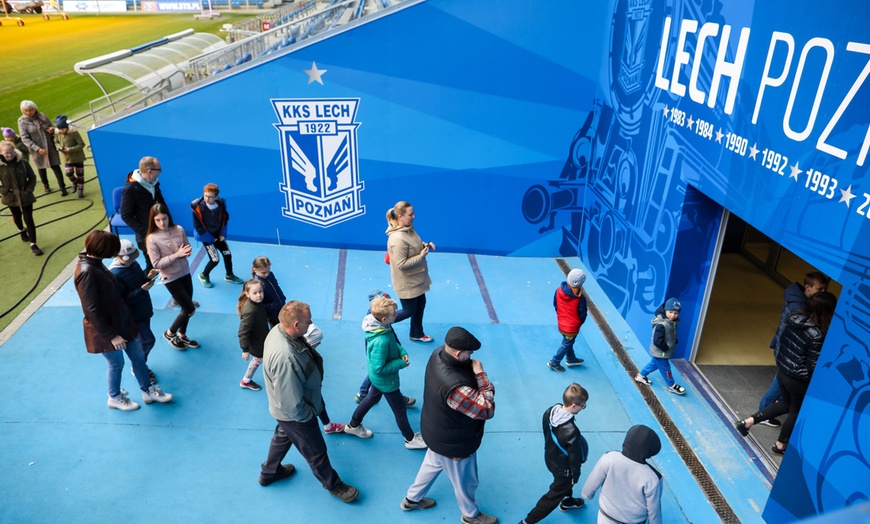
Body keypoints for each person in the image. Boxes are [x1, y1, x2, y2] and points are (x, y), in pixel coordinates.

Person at [258, 300, 359, 502]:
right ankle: (334, 486)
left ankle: (269, 472)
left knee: (283, 435)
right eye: (308, 321)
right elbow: (291, 403)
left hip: (284, 412)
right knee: (316, 450)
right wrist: (308, 416)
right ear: (296, 324)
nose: (310, 324)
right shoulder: (286, 357)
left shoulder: (278, 330)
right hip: (296, 413)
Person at [402, 326, 497, 524]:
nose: (472, 357)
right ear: (457, 353)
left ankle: (412, 499)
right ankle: (471, 515)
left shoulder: (438, 353)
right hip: (455, 442)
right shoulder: (455, 387)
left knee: (431, 464)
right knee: (466, 482)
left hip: (435, 431)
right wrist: (481, 376)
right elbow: (486, 409)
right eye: (469, 353)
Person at [74, 230, 173, 410]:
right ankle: (114, 396)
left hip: (122, 322)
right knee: (116, 364)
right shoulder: (87, 271)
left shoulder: (96, 264)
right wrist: (111, 336)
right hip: (107, 329)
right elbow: (91, 309)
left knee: (138, 357)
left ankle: (147, 389)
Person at [735, 292, 836, 455]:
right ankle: (780, 445)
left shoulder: (795, 318)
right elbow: (813, 364)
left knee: (784, 404)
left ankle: (747, 422)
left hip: (783, 372)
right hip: (798, 379)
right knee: (796, 411)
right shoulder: (818, 334)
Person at [343, 295, 427, 449]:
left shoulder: (380, 327)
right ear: (384, 319)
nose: (397, 315)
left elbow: (393, 342)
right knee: (399, 410)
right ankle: (410, 439)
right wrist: (401, 363)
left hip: (378, 381)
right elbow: (379, 368)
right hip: (387, 381)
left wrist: (401, 351)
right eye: (393, 314)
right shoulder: (380, 341)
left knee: (371, 398)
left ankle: (353, 425)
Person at [756, 271, 829, 428]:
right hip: (790, 354)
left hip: (786, 351)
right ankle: (764, 412)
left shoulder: (795, 299)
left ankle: (767, 409)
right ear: (807, 287)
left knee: (780, 382)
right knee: (779, 383)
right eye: (820, 289)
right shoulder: (799, 307)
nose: (823, 293)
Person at [520, 383, 590, 524]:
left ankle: (567, 501)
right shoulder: (571, 431)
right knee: (553, 496)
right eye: (583, 406)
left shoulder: (550, 411)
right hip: (563, 468)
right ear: (574, 405)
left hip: (551, 457)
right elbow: (574, 459)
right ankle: (528, 521)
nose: (583, 408)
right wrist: (575, 475)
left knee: (564, 485)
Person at [581, 424, 663, 524]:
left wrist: (587, 495)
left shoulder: (609, 458)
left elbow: (591, 483)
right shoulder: (653, 478)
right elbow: (654, 508)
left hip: (606, 516)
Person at [145, 203, 199, 351]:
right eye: (158, 220)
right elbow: (156, 263)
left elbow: (186, 247)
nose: (162, 223)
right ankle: (170, 333)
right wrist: (177, 255)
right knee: (189, 309)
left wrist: (187, 252)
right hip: (171, 278)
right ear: (153, 221)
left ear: (169, 216)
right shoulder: (152, 239)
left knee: (186, 307)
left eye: (164, 218)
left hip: (185, 273)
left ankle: (182, 335)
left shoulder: (179, 229)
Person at [354, 288, 415, 408]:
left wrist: (399, 348)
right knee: (381, 374)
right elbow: (379, 367)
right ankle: (398, 400)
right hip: (383, 351)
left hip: (381, 350)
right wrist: (401, 362)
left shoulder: (377, 319)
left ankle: (362, 393)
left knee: (375, 376)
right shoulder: (381, 334)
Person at [109, 239, 159, 386]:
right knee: (147, 340)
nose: (130, 261)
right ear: (116, 256)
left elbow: (137, 281)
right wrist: (142, 290)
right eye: (127, 259)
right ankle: (139, 367)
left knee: (145, 341)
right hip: (133, 315)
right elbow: (122, 301)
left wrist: (147, 277)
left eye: (132, 257)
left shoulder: (133, 264)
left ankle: (140, 365)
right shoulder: (115, 274)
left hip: (143, 309)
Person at [386, 200, 435, 342]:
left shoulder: (408, 229)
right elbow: (401, 264)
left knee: (420, 305)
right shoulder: (398, 239)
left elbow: (413, 246)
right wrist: (421, 256)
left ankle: (417, 333)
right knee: (409, 311)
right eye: (410, 214)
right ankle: (380, 321)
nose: (414, 216)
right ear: (400, 216)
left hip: (417, 279)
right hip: (407, 282)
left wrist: (424, 245)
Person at [191, 182, 244, 288]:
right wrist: (211, 239)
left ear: (216, 197)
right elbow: (199, 227)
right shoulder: (197, 208)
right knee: (215, 259)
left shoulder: (220, 205)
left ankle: (229, 275)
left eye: (211, 197)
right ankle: (204, 275)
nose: (207, 199)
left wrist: (222, 234)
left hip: (218, 235)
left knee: (227, 254)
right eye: (206, 196)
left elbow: (225, 219)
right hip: (206, 237)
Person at [121, 156, 165, 273]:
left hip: (159, 230)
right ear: (150, 171)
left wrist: (168, 223)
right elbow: (126, 216)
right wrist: (145, 233)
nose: (160, 172)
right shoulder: (130, 190)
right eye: (158, 170)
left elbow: (162, 205)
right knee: (152, 265)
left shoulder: (154, 184)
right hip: (145, 236)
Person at [635, 298, 687, 395]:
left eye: (676, 313)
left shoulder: (671, 322)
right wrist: (666, 348)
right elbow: (657, 341)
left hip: (662, 351)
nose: (673, 315)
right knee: (666, 369)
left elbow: (670, 333)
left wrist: (674, 340)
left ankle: (640, 376)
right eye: (670, 312)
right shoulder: (662, 324)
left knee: (653, 364)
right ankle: (671, 385)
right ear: (665, 310)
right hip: (661, 351)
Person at [0, 141, 43, 256]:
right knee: (17, 217)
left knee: (28, 218)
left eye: (12, 151)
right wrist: (4, 191)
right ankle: (21, 230)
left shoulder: (23, 163)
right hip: (10, 197)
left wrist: (28, 191)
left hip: (25, 196)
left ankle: (33, 244)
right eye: (6, 153)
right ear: (1, 153)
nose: (10, 155)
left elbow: (32, 177)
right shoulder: (0, 167)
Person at [303, 323, 346, 435]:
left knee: (320, 404)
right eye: (317, 342)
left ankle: (327, 426)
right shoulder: (302, 356)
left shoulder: (308, 352)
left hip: (312, 387)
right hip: (306, 388)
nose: (319, 344)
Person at [17, 100, 67, 195]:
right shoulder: (21, 121)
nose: (29, 112)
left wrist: (52, 130)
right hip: (36, 148)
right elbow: (24, 138)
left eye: (30, 110)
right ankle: (46, 185)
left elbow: (52, 127)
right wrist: (37, 148)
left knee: (55, 166)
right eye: (26, 111)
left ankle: (62, 187)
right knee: (41, 168)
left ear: (35, 108)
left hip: (49, 146)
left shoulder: (42, 116)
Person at [547, 268, 588, 372]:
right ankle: (554, 362)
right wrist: (579, 323)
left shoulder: (559, 290)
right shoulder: (580, 298)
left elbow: (555, 304)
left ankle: (571, 358)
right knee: (566, 344)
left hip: (561, 323)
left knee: (568, 341)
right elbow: (582, 314)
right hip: (571, 327)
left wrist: (561, 316)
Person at [237, 279, 270, 391]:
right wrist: (245, 349)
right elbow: (243, 331)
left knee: (259, 359)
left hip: (261, 338)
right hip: (257, 343)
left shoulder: (257, 303)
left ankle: (246, 380)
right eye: (255, 293)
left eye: (260, 292)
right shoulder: (250, 311)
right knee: (259, 360)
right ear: (247, 294)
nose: (259, 295)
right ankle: (246, 380)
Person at [53, 115, 87, 198]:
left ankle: (80, 189)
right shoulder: (58, 133)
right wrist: (59, 148)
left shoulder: (74, 133)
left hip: (78, 157)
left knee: (80, 175)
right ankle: (74, 182)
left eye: (62, 129)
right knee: (68, 173)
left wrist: (70, 149)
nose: (61, 131)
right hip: (67, 158)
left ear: (66, 127)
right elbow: (56, 142)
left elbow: (81, 144)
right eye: (59, 129)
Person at [251, 256, 286, 328]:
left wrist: (282, 297)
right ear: (255, 270)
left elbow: (276, 286)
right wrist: (273, 306)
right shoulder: (257, 285)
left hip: (280, 306)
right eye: (263, 272)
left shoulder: (270, 274)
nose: (267, 274)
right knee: (277, 328)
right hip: (272, 313)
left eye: (268, 270)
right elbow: (258, 305)